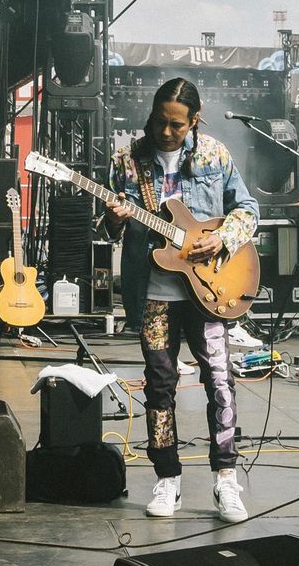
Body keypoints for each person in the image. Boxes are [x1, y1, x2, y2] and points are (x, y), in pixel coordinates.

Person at [101, 77, 259, 523]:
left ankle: (225, 478)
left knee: (220, 380)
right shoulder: (127, 161)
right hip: (154, 291)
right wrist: (115, 219)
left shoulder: (214, 155)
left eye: (176, 125)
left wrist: (222, 238)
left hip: (209, 292)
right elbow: (111, 229)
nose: (166, 132)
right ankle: (167, 477)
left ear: (195, 120)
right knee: (159, 386)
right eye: (159, 122)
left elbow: (248, 210)